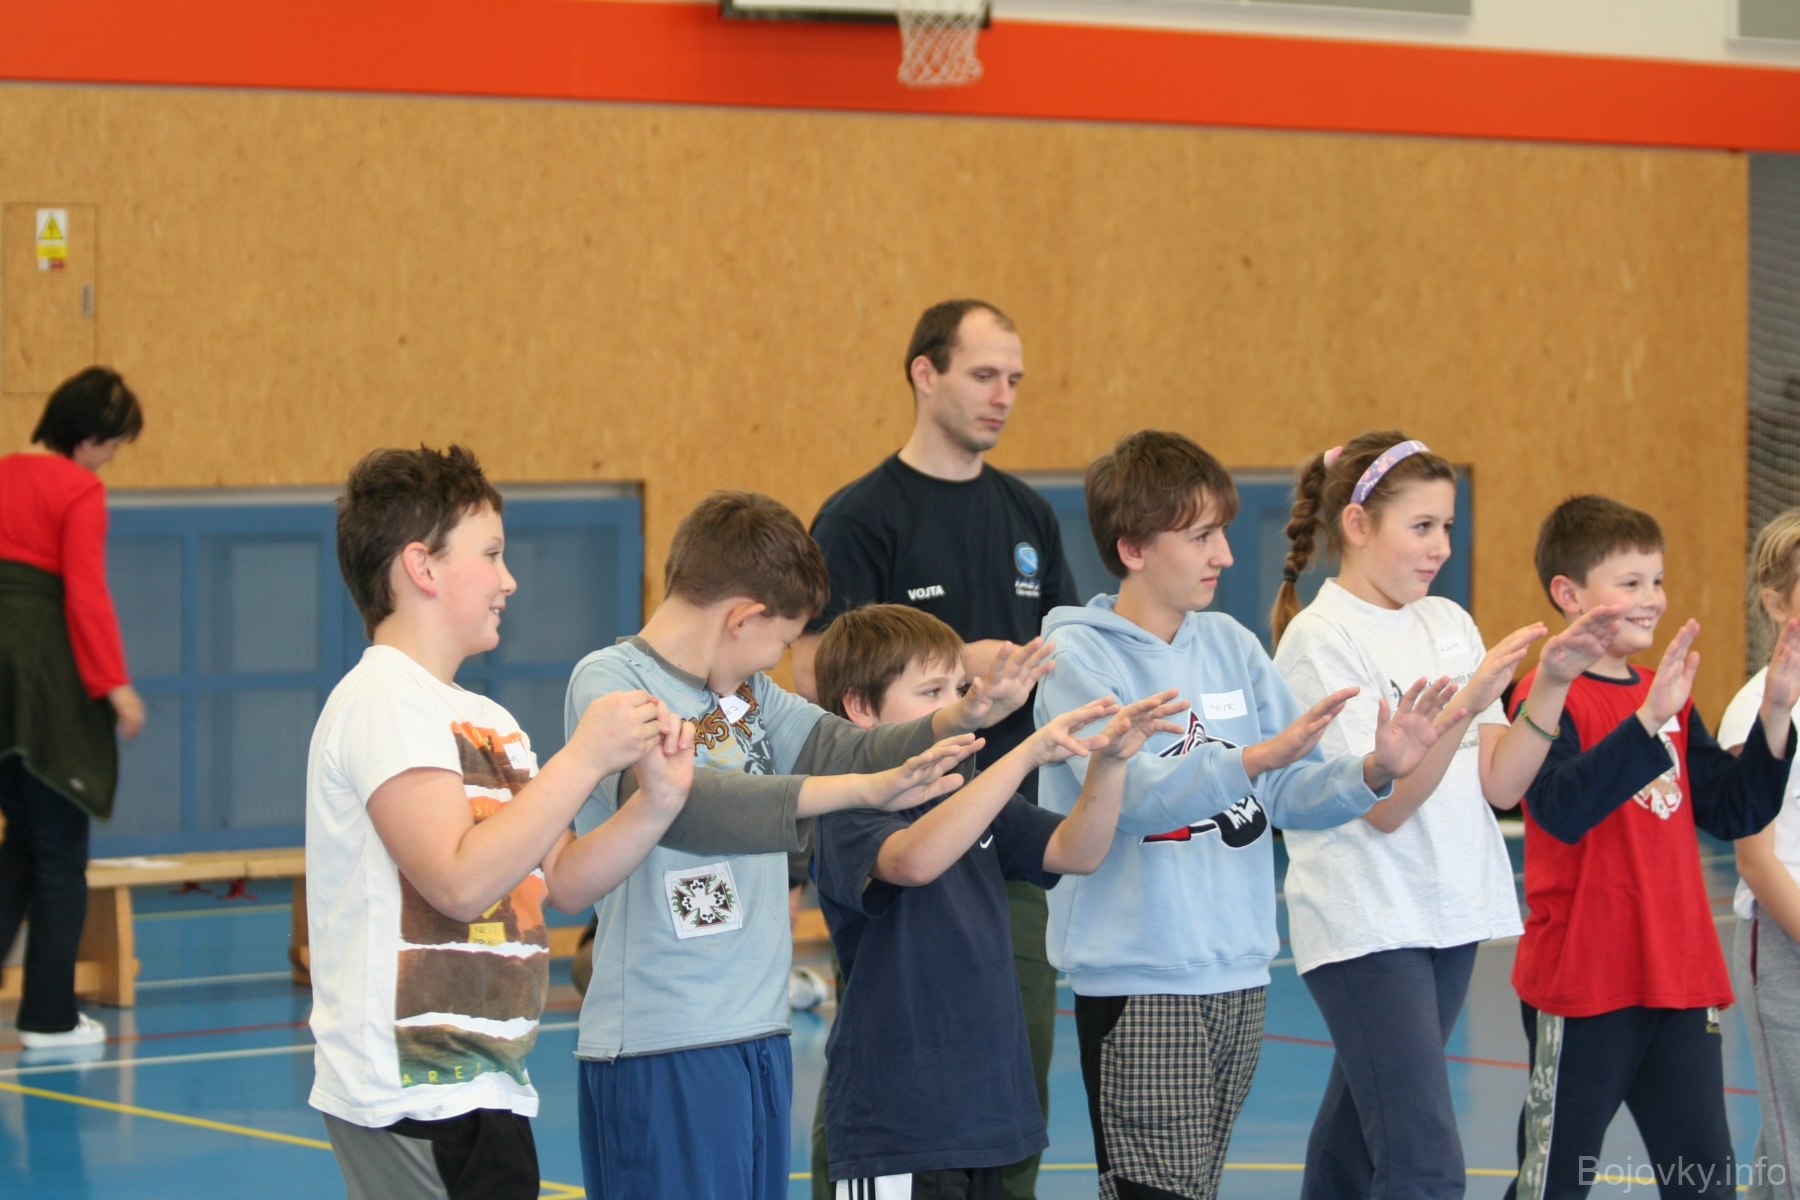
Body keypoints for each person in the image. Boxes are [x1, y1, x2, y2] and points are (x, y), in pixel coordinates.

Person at [564, 490, 1055, 1200]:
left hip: (756, 1028)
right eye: (784, 639)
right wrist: (861, 790)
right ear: (742, 618)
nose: (783, 659)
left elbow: (844, 743)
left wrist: (956, 717)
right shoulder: (614, 682)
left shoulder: (747, 695)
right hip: (662, 1033)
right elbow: (686, 806)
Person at [1035, 429, 1455, 1200]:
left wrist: (1374, 770)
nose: (1225, 555)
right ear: (1133, 548)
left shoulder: (1230, 644)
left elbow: (1290, 791)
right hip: (1142, 977)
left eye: (1223, 532)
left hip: (1238, 972)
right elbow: (1135, 798)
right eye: (1201, 536)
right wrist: (1254, 759)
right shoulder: (1077, 659)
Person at [306, 444, 701, 1200]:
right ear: (421, 567)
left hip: (488, 1079)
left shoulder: (490, 721)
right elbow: (458, 882)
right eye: (490, 555)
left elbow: (567, 879)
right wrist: (583, 759)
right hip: (410, 1092)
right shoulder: (384, 699)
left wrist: (656, 801)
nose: (508, 580)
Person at [1268, 431, 1629, 1198]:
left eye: (1448, 527)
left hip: (1448, 911)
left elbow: (1500, 784)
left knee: (1354, 1144)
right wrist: (1465, 703)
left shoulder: (1447, 622)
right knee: (1425, 1160)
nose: (1440, 547)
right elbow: (1385, 808)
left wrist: (1552, 684)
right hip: (1370, 923)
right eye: (1422, 526)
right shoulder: (1320, 640)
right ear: (1358, 525)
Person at [794, 299, 1078, 1200]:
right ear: (926, 374)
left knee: (1016, 1059)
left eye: (1015, 380)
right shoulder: (863, 517)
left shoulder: (1028, 513)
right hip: (897, 830)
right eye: (984, 375)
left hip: (1003, 833)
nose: (1004, 396)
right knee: (891, 1064)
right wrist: (962, 668)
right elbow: (816, 672)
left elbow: (1064, 649)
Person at [811, 603, 1185, 1199]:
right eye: (931, 692)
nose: (957, 707)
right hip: (897, 1118)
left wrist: (1110, 764)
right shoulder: (845, 802)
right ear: (860, 707)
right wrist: (1025, 755)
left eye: (959, 688)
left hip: (982, 1109)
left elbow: (1077, 849)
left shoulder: (969, 791)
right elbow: (912, 861)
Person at [1502, 495, 1800, 1200]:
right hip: (1583, 983)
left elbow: (1732, 808)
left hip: (1678, 976)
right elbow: (1561, 809)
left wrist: (1775, 714)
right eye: (1630, 583)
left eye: (1657, 581)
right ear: (1569, 594)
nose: (1652, 599)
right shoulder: (1546, 694)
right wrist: (1645, 723)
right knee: (1555, 1180)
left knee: (1704, 1180)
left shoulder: (1663, 695)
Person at [0, 366, 145, 1050]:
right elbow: (85, 595)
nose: (111, 458)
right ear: (87, 438)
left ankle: (45, 1010)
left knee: (20, 847)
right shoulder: (78, 489)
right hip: (41, 687)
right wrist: (116, 687)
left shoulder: (3, 473)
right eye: (112, 444)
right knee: (60, 854)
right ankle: (49, 1016)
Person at [1724, 508, 1800, 1200]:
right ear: (1778, 605)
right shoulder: (1758, 707)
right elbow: (1756, 858)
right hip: (1784, 943)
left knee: (1784, 1146)